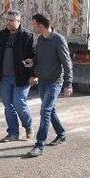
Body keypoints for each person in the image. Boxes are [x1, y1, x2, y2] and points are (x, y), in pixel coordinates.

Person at [23, 13, 73, 158]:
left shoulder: (58, 40)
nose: (33, 27)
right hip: (43, 81)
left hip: (55, 82)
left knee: (45, 111)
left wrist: (68, 84)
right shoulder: (40, 39)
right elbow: (38, 57)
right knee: (50, 110)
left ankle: (39, 145)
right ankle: (61, 134)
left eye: (34, 24)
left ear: (41, 25)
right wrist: (32, 62)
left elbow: (67, 63)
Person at [0, 10, 35, 141]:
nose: (8, 23)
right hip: (5, 77)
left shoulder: (26, 35)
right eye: (7, 20)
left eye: (11, 20)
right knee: (8, 105)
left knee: (19, 103)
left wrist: (33, 75)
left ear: (18, 21)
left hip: (21, 77)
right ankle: (13, 133)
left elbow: (32, 56)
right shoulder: (3, 35)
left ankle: (28, 126)